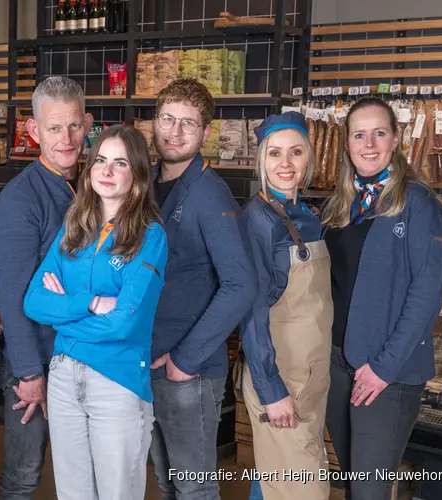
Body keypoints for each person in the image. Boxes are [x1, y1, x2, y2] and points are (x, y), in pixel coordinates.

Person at [23, 125, 168, 500]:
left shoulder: (150, 236)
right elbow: (34, 302)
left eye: (120, 163)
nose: (106, 170)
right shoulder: (74, 227)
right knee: (73, 494)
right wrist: (88, 303)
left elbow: (124, 322)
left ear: (137, 176)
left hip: (116, 383)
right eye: (100, 160)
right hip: (64, 381)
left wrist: (64, 321)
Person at [323, 97, 442, 500]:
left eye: (380, 133)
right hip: (339, 365)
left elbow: (428, 292)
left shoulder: (419, 203)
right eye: (360, 134)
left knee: (368, 493)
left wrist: (383, 366)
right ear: (347, 144)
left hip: (384, 374)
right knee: (353, 485)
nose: (370, 143)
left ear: (396, 139)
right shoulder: (342, 205)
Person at [148, 78, 259, 499]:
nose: (174, 132)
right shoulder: (146, 185)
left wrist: (185, 360)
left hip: (186, 372)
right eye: (167, 119)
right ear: (154, 122)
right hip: (147, 363)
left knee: (194, 490)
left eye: (188, 124)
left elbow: (240, 285)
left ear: (205, 133)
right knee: (167, 484)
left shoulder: (211, 196)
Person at [0, 76, 93, 499]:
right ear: (34, 132)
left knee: (80, 470)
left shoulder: (90, 185)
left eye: (73, 126)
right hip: (35, 360)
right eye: (53, 128)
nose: (65, 139)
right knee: (25, 472)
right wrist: (30, 374)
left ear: (87, 125)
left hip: (81, 355)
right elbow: (11, 300)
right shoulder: (21, 200)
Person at [239, 112, 332, 500]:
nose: (285, 164)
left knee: (275, 481)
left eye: (295, 153)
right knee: (303, 491)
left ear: (308, 158)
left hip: (311, 376)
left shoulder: (306, 216)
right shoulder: (257, 221)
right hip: (280, 379)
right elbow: (252, 311)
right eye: (274, 153)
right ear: (261, 160)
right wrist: (272, 389)